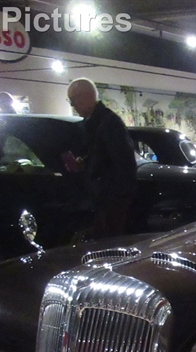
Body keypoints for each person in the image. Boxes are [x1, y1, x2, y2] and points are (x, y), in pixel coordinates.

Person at [66, 77, 137, 238]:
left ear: (87, 96)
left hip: (111, 198)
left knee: (110, 241)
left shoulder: (108, 123)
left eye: (73, 99)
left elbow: (123, 163)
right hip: (105, 196)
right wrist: (85, 162)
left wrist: (115, 197)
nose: (72, 105)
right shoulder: (96, 122)